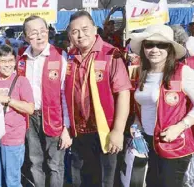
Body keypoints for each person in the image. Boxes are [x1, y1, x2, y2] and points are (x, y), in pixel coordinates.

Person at [65, 11, 131, 187]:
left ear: (95, 29)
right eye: (75, 31)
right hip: (79, 133)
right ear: (70, 35)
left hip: (105, 132)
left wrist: (117, 131)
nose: (80, 35)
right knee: (82, 180)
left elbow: (123, 93)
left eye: (85, 29)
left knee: (106, 180)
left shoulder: (111, 54)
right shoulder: (70, 57)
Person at [129, 24, 194, 187]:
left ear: (170, 48)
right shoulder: (140, 73)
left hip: (173, 144)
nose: (154, 49)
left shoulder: (182, 72)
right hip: (147, 142)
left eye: (161, 45)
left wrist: (180, 127)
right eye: (149, 44)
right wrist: (137, 121)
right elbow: (141, 104)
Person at [17, 15, 72, 187]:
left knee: (55, 164)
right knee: (35, 161)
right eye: (34, 33)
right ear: (26, 37)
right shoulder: (21, 58)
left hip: (54, 117)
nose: (40, 36)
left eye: (43, 31)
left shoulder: (60, 56)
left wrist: (66, 127)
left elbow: (65, 94)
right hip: (30, 117)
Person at [0, 44, 34, 187]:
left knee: (12, 180)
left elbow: (30, 108)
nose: (8, 65)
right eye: (3, 61)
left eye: (11, 60)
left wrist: (8, 100)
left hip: (13, 138)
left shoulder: (21, 81)